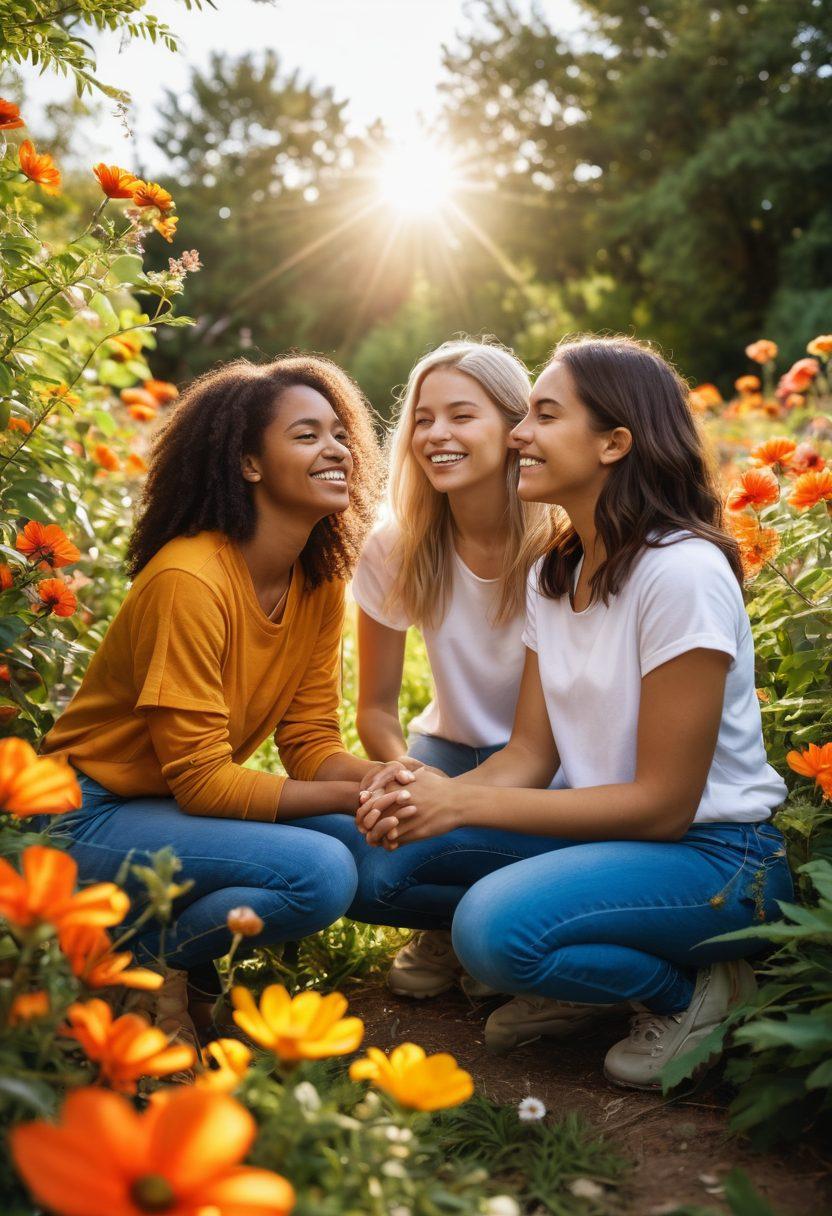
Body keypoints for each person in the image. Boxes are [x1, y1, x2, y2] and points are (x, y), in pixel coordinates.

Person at [355, 334, 793, 1089]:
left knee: (491, 931)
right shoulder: (557, 571)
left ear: (615, 442)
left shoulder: (680, 572)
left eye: (544, 415)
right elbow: (531, 754)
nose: (520, 433)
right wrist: (428, 798)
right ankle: (571, 977)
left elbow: (662, 806)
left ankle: (692, 993)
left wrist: (461, 800)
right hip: (614, 833)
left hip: (719, 857)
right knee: (373, 865)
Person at [40, 355, 385, 1038]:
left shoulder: (317, 581)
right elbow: (203, 784)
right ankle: (133, 968)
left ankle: (168, 957)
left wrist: (386, 781)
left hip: (162, 807)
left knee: (368, 848)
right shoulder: (190, 581)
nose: (337, 448)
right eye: (307, 435)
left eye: (340, 434)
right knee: (320, 872)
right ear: (249, 464)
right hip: (84, 818)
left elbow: (311, 743)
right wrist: (354, 795)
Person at [348, 339, 554, 999]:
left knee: (433, 847)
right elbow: (376, 710)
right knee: (365, 873)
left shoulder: (561, 548)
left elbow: (534, 750)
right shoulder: (394, 546)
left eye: (462, 416)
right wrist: (406, 776)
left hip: (549, 764)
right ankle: (454, 922)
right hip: (443, 752)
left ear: (514, 428)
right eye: (423, 418)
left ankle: (500, 928)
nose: (436, 434)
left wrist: (452, 807)